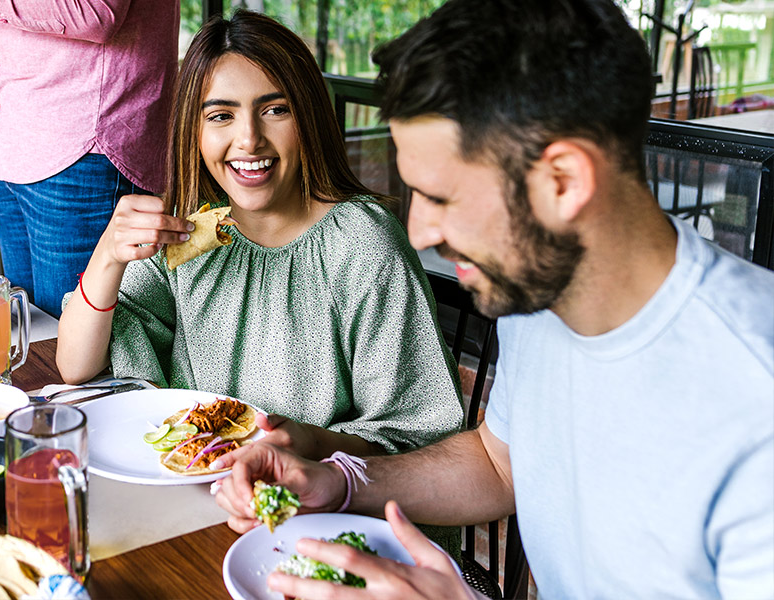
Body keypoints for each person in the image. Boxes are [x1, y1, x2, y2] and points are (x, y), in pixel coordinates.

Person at [212, 1, 774, 598]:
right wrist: (340, 481)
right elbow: (498, 464)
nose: (420, 232)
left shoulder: (753, 400)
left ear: (564, 181)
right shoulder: (540, 294)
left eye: (441, 197)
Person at [56, 11, 463, 467]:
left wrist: (309, 447)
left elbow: (417, 438)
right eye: (221, 115)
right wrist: (108, 257)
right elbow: (75, 366)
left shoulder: (362, 245)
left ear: (308, 116)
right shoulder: (192, 234)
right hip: (193, 491)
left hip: (311, 507)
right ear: (195, 130)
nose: (248, 139)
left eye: (275, 110)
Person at [0, 0, 179, 318]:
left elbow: (95, 13)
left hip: (83, 155)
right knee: (26, 339)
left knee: (75, 351)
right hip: (13, 147)